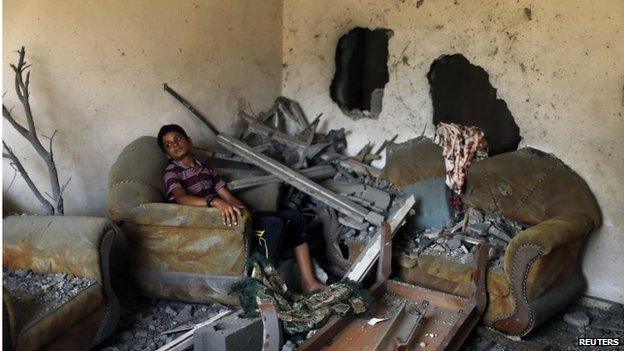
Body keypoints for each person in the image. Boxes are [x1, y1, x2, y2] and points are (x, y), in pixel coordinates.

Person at [157, 124, 327, 293]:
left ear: (189, 141)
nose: (175, 144)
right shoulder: (172, 172)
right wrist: (214, 202)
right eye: (168, 144)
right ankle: (260, 289)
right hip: (211, 221)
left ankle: (309, 282)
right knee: (273, 225)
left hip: (230, 213)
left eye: (178, 138)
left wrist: (246, 211)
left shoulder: (206, 169)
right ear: (167, 154)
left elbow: (228, 197)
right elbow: (181, 199)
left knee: (295, 217)